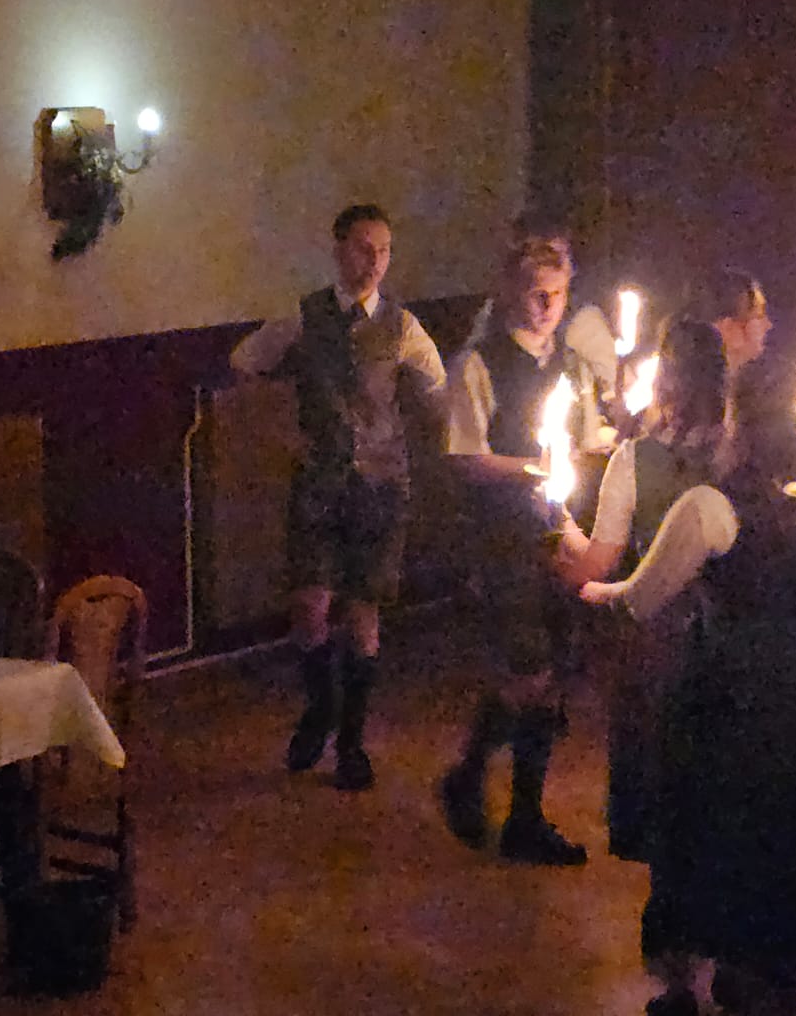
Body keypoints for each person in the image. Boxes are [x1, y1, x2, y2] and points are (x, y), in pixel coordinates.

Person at [580, 361, 796, 1016]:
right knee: (795, 833)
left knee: (729, 833)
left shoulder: (711, 506)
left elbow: (639, 600)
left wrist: (588, 583)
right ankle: (780, 991)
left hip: (735, 692)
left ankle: (728, 980)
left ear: (737, 422)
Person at [230, 203, 446, 792]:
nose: (374, 261)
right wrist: (281, 433)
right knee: (310, 607)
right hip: (319, 482)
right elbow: (244, 364)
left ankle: (351, 741)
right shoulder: (302, 318)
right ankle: (320, 705)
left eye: (384, 251)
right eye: (363, 248)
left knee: (363, 615)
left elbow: (438, 388)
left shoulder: (403, 326)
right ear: (339, 250)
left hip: (381, 485)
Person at [437, 236, 589, 865]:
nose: (547, 307)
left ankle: (505, 800)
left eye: (557, 294)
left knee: (550, 674)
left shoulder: (571, 365)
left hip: (558, 532)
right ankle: (484, 785)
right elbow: (465, 456)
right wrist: (534, 468)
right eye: (535, 293)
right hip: (502, 537)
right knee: (529, 667)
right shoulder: (479, 364)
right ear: (509, 293)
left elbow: (586, 439)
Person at [556, 319, 728, 861]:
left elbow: (597, 561)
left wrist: (557, 519)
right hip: (731, 630)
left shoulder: (633, 459)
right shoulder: (741, 456)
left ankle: (640, 828)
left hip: (660, 632)